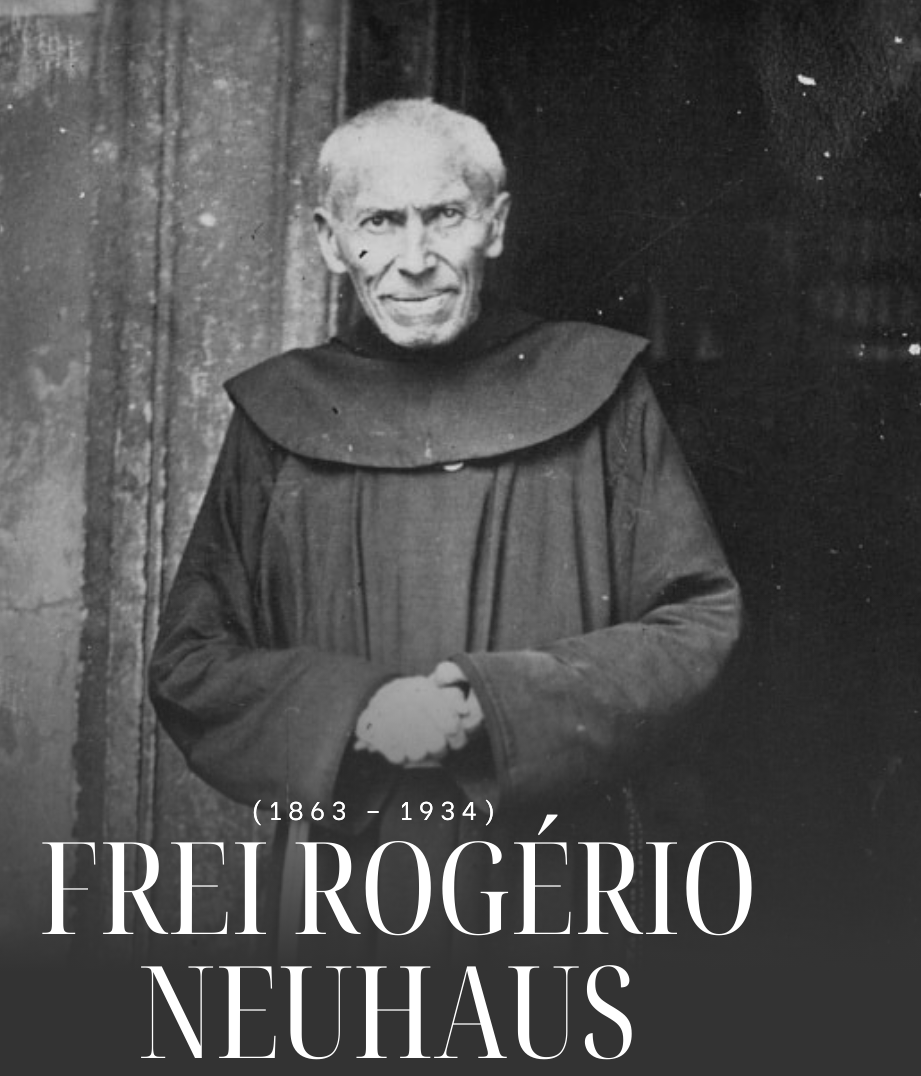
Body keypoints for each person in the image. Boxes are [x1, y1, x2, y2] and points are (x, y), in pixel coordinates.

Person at [149, 98, 742, 973]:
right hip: (342, 888)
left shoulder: (601, 389)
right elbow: (191, 661)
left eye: (445, 216)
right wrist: (356, 712)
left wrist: (488, 707)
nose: (415, 258)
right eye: (379, 223)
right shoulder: (277, 415)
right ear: (329, 241)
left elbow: (696, 624)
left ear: (494, 226)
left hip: (559, 880)